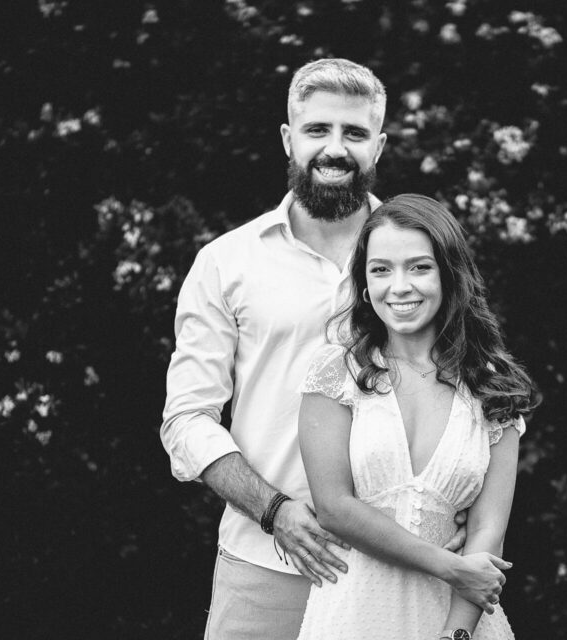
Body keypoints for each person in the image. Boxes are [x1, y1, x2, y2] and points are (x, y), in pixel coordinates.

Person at [161, 59, 466, 638]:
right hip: (265, 566)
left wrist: (467, 502)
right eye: (317, 130)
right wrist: (274, 512)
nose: (335, 148)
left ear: (379, 146)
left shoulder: (423, 260)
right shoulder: (226, 262)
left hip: (403, 572)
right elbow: (187, 420)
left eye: (354, 133)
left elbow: (465, 390)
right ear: (288, 139)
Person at [295, 194, 540, 640]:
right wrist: (450, 567)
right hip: (353, 616)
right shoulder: (335, 373)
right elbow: (334, 508)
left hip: (456, 617)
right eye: (381, 269)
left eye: (419, 267)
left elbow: (487, 532)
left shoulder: (494, 388)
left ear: (449, 275)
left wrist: (454, 636)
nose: (399, 286)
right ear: (365, 286)